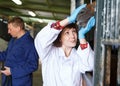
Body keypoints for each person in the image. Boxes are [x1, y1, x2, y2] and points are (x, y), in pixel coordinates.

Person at [34, 4, 95, 86]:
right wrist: (68, 20)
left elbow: (89, 66)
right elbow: (40, 39)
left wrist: (82, 36)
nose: (72, 36)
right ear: (60, 38)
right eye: (67, 33)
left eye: (74, 32)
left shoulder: (77, 55)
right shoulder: (49, 54)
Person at [0, 17, 39, 86]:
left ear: (18, 28)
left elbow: (33, 65)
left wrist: (12, 71)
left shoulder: (30, 43)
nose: (8, 32)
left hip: (20, 81)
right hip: (7, 79)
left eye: (10, 29)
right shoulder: (13, 39)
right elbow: (7, 54)